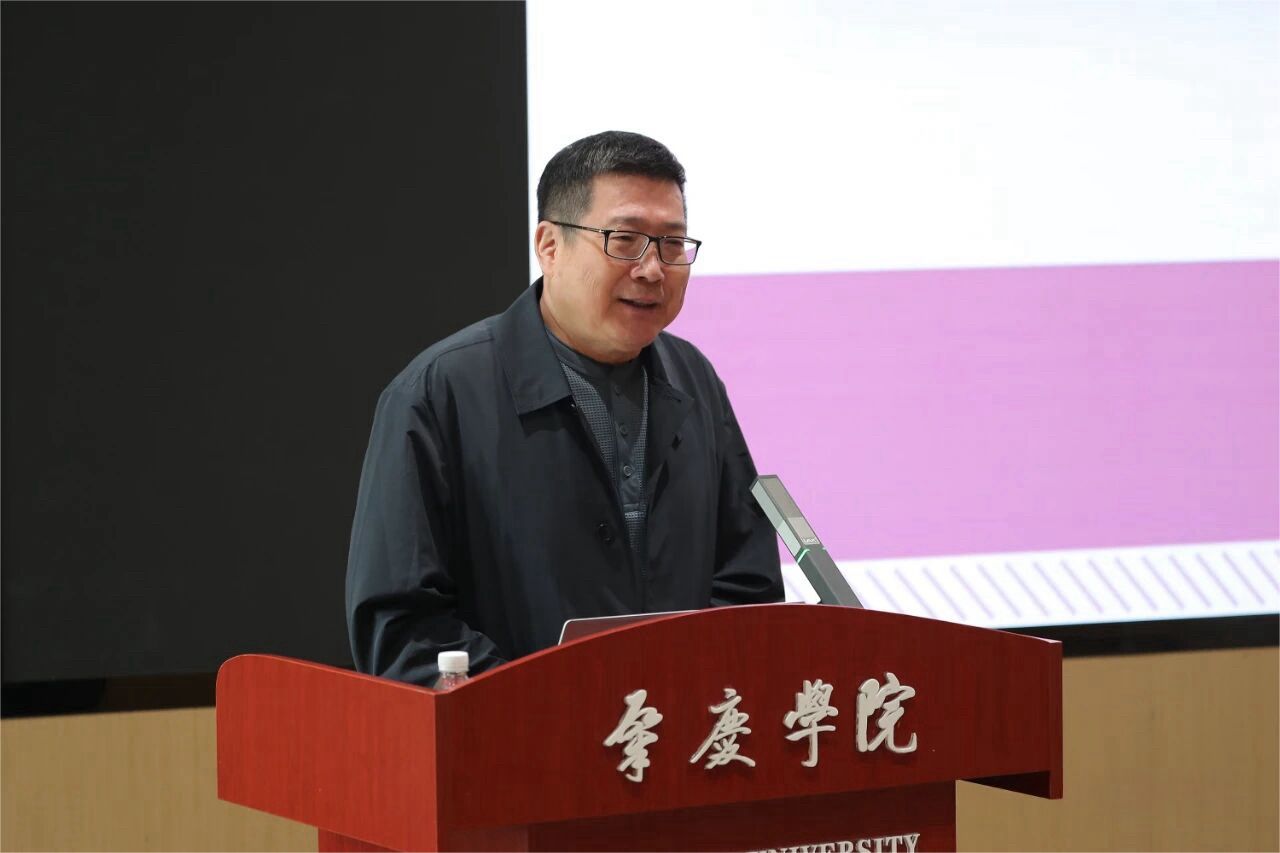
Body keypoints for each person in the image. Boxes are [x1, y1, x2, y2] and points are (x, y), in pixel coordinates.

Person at [345, 130, 782, 687]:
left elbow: (747, 583)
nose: (653, 269)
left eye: (672, 244)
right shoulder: (438, 393)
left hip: (675, 729)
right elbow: (401, 625)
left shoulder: (694, 378)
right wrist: (542, 711)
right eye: (625, 240)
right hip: (513, 734)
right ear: (549, 245)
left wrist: (695, 691)